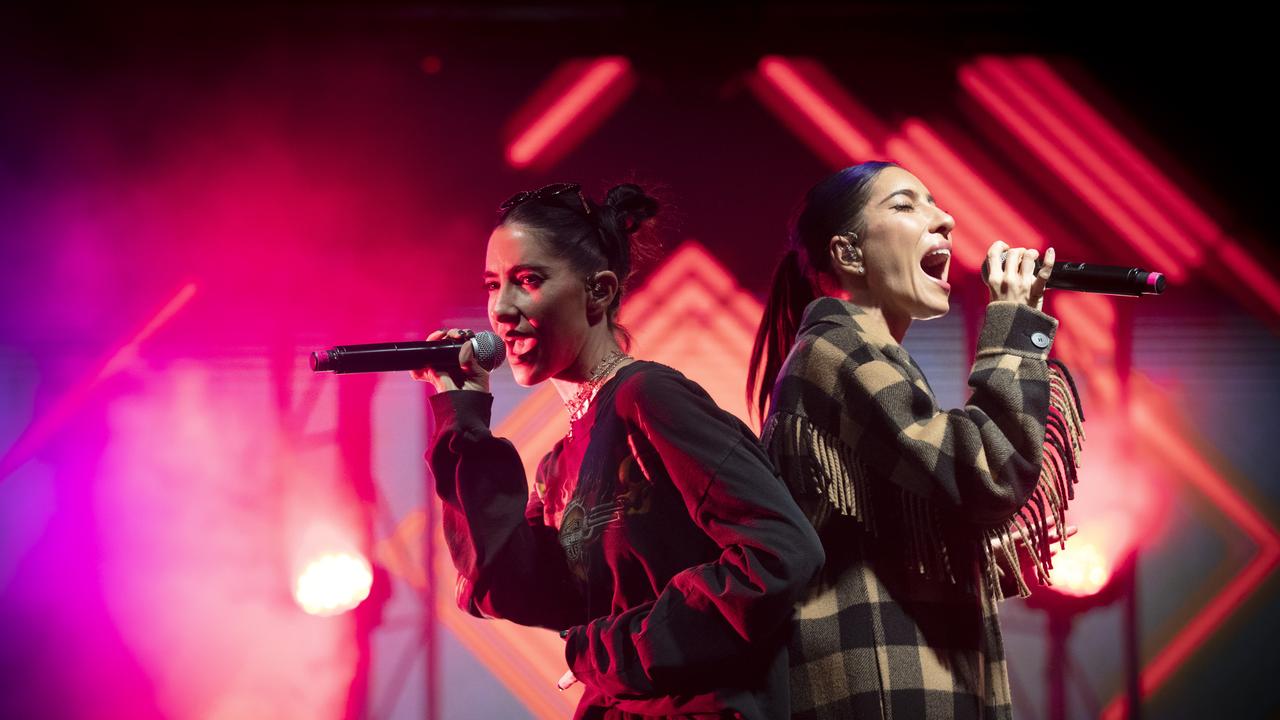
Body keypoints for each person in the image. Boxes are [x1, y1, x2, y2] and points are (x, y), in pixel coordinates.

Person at [414, 182, 825, 719]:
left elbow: (782, 552)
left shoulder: (648, 398)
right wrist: (463, 424)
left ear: (599, 291)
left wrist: (614, 649)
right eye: (493, 286)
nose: (502, 310)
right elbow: (506, 587)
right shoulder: (559, 462)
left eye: (528, 280)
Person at [747, 163, 1084, 720]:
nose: (945, 219)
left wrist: (982, 554)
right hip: (881, 687)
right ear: (849, 254)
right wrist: (1015, 326)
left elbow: (895, 534)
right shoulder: (835, 350)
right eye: (906, 205)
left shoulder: (872, 359)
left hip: (909, 678)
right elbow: (984, 471)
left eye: (936, 203)